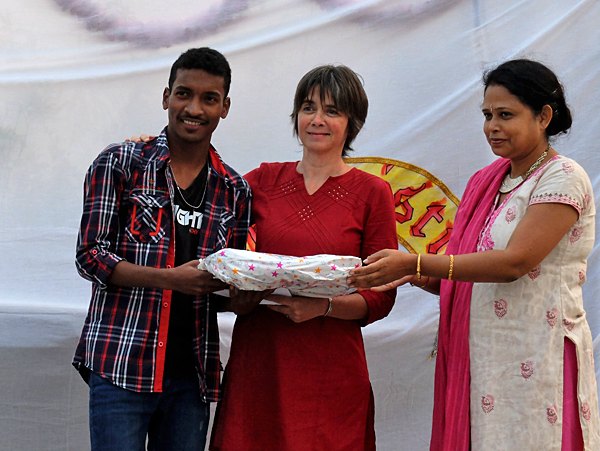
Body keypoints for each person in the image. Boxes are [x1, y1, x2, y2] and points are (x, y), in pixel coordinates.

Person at [349, 58, 600, 450]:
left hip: (538, 353)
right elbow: (465, 276)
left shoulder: (562, 177)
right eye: (487, 115)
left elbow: (515, 262)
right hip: (483, 359)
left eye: (505, 115)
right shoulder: (487, 181)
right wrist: (412, 273)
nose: (492, 126)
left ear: (543, 116)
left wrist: (416, 261)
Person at [209, 65, 398, 450]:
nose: (317, 119)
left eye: (332, 111)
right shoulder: (262, 180)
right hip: (261, 358)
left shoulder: (372, 192)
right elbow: (201, 206)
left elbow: (381, 294)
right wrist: (156, 148)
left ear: (353, 123)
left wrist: (323, 307)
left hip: (330, 366)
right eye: (308, 107)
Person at [73, 47, 251, 451]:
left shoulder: (235, 190)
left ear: (225, 107)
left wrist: (242, 300)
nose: (194, 108)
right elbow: (90, 255)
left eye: (209, 98)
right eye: (184, 93)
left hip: (191, 377)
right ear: (166, 96)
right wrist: (170, 280)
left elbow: (222, 282)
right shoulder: (120, 163)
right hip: (121, 363)